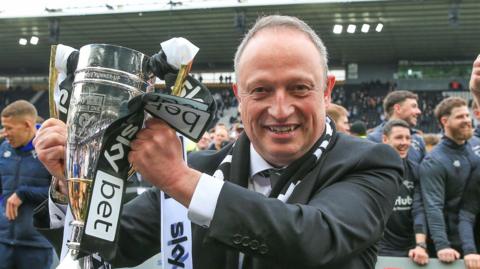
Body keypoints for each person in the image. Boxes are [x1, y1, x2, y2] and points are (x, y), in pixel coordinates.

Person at [33, 15, 402, 269]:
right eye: (261, 90)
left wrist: (180, 181)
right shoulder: (201, 169)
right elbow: (114, 245)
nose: (280, 108)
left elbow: (315, 238)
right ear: (238, 96)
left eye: (299, 88)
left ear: (327, 91)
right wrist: (71, 186)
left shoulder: (370, 162)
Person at [420, 96, 478, 264]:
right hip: (453, 249)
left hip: (474, 243)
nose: (467, 120)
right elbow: (433, 207)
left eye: (468, 116)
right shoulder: (435, 160)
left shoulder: (474, 147)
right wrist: (442, 245)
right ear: (445, 121)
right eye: (460, 117)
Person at [0, 100, 53, 269]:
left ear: (26, 125)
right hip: (4, 242)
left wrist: (24, 193)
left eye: (9, 128)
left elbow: (62, 195)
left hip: (36, 245)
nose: (4, 133)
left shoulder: (50, 150)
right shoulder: (4, 149)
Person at [377, 119, 429, 265]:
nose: (404, 142)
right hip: (381, 250)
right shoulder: (373, 172)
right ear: (385, 139)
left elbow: (418, 209)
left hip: (412, 250)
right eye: (399, 137)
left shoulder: (415, 170)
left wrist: (420, 245)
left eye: (408, 138)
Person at [367, 90, 426, 164]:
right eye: (414, 106)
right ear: (398, 108)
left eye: (407, 138)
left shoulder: (418, 139)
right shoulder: (373, 139)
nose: (419, 112)